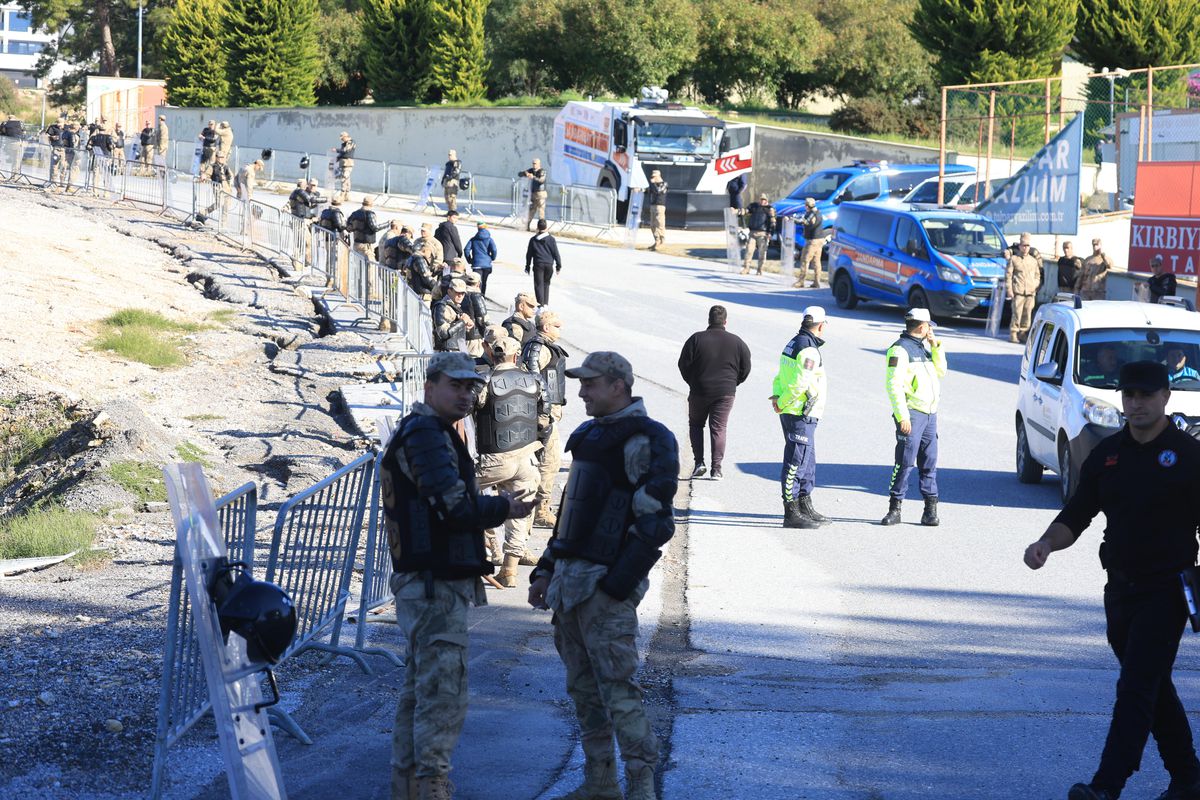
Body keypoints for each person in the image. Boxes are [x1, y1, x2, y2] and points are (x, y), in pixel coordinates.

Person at [1023, 361, 1200, 800]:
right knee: (1152, 685)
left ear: (1165, 398)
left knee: (1136, 686)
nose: (1135, 403)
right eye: (1129, 395)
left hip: (1168, 590)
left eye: (1145, 395)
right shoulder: (1107, 455)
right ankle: (1189, 778)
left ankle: (1106, 787)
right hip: (1120, 590)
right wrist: (1046, 544)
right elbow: (1077, 515)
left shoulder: (1189, 456)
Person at [381, 350, 536, 800]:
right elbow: (455, 507)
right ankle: (430, 786)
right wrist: (503, 507)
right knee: (442, 691)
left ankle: (409, 784)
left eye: (472, 386)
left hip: (430, 582)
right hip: (431, 584)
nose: (467, 393)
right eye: (456, 384)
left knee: (421, 688)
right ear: (430, 387)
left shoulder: (434, 432)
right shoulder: (426, 435)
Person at [527, 351, 678, 800]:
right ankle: (599, 784)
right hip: (567, 589)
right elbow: (570, 515)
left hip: (603, 591)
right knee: (584, 693)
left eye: (590, 383)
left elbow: (655, 525)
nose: (581, 391)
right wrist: (545, 570)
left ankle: (641, 787)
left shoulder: (650, 439)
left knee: (618, 690)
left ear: (618, 385)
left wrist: (615, 588)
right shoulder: (589, 435)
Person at [474, 336, 543, 587]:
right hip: (527, 458)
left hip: (494, 459)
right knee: (520, 514)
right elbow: (544, 418)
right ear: (517, 356)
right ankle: (509, 571)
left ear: (492, 355)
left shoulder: (484, 380)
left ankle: (478, 550)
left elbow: (465, 409)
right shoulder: (535, 381)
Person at [881, 308, 946, 527]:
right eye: (929, 326)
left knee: (929, 462)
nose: (930, 330)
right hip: (912, 414)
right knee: (905, 462)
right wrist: (902, 416)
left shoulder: (925, 349)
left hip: (930, 415)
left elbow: (941, 371)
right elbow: (893, 386)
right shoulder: (899, 351)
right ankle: (895, 508)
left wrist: (936, 346)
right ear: (921, 326)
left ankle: (930, 510)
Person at [768, 305, 831, 529]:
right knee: (795, 462)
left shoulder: (793, 342)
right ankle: (791, 512)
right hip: (799, 412)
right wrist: (782, 402)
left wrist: (777, 396)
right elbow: (800, 383)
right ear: (821, 325)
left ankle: (805, 505)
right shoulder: (808, 349)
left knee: (807, 461)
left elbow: (780, 375)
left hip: (797, 411)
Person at [677, 304, 751, 481]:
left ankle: (699, 464)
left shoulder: (696, 339)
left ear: (709, 320)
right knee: (719, 428)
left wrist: (693, 382)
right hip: (725, 392)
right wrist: (733, 383)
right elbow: (746, 368)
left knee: (696, 425)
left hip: (699, 390)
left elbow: (683, 365)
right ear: (725, 321)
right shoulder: (737, 342)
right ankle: (716, 469)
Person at [521, 310, 568, 527]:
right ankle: (539, 510)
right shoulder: (539, 347)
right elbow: (532, 378)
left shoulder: (544, 346)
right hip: (541, 416)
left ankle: (539, 508)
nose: (560, 329)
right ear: (546, 327)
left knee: (549, 461)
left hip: (545, 414)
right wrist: (543, 411)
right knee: (548, 462)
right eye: (556, 326)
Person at [1006, 233, 1042, 344]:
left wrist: (1035, 285)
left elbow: (1037, 275)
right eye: (1023, 245)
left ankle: (1023, 333)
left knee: (1028, 313)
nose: (1025, 248)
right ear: (1020, 246)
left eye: (1027, 246)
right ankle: (1013, 332)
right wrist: (1009, 290)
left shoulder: (1033, 260)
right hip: (1018, 291)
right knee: (1017, 312)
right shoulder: (1014, 259)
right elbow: (1008, 275)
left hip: (1030, 292)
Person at [525, 219, 563, 307]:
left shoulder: (533, 240)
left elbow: (529, 254)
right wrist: (558, 266)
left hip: (538, 264)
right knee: (546, 284)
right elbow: (556, 253)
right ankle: (545, 304)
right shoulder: (551, 239)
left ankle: (540, 305)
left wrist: (527, 266)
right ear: (547, 227)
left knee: (539, 285)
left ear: (537, 227)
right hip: (549, 265)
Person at [432, 277, 473, 353]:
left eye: (462, 293)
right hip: (446, 352)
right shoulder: (441, 306)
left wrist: (466, 325)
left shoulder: (455, 306)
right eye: (457, 292)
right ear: (449, 291)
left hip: (458, 350)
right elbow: (443, 333)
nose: (460, 296)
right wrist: (462, 322)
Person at [741, 193, 776, 275]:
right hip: (752, 232)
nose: (762, 201)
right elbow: (746, 211)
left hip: (763, 234)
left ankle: (760, 269)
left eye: (764, 200)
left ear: (767, 200)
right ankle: (746, 268)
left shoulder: (770, 209)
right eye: (761, 199)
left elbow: (773, 222)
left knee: (762, 252)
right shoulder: (754, 206)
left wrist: (771, 232)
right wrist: (738, 211)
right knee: (749, 251)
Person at [795, 197, 824, 289]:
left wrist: (794, 220)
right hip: (819, 239)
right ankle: (817, 282)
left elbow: (806, 222)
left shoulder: (812, 214)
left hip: (813, 240)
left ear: (807, 206)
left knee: (805, 259)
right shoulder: (818, 212)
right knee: (816, 261)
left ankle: (801, 281)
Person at [464, 221, 497, 296]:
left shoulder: (473, 239)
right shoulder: (489, 239)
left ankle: (476, 296)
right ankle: (482, 296)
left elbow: (466, 250)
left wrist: (469, 260)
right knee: (484, 282)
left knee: (476, 281)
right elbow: (494, 250)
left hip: (476, 264)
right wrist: (492, 258)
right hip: (487, 265)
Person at [461, 271, 488, 357]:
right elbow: (483, 319)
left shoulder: (460, 294)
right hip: (474, 337)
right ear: (478, 283)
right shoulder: (476, 296)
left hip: (461, 335)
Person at [519, 157, 547, 230]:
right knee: (531, 210)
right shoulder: (531, 170)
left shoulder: (542, 171)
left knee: (541, 211)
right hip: (533, 194)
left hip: (541, 193)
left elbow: (541, 180)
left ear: (539, 164)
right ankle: (527, 225)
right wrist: (525, 173)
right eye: (533, 163)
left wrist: (533, 177)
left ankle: (541, 228)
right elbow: (519, 174)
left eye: (535, 164)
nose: (534, 165)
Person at [202, 154, 234, 220]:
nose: (221, 159)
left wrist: (230, 181)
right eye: (219, 157)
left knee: (226, 206)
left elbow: (231, 175)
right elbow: (206, 174)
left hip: (226, 186)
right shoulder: (212, 166)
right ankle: (204, 212)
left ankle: (223, 223)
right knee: (219, 203)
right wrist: (205, 176)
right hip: (217, 186)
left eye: (222, 157)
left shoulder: (226, 166)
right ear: (216, 157)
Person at [647, 169, 668, 251]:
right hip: (653, 206)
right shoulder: (653, 185)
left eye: (654, 177)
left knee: (660, 224)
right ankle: (656, 241)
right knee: (652, 225)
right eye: (652, 177)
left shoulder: (664, 184)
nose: (652, 178)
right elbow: (648, 191)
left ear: (658, 176)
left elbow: (658, 191)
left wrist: (652, 184)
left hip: (660, 206)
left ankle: (662, 241)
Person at [335, 131, 355, 202]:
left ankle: (343, 194)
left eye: (342, 138)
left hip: (348, 163)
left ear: (346, 136)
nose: (342, 139)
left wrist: (337, 150)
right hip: (343, 163)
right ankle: (347, 195)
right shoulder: (344, 144)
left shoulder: (351, 142)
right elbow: (342, 153)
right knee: (347, 179)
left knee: (344, 177)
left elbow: (346, 150)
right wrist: (337, 158)